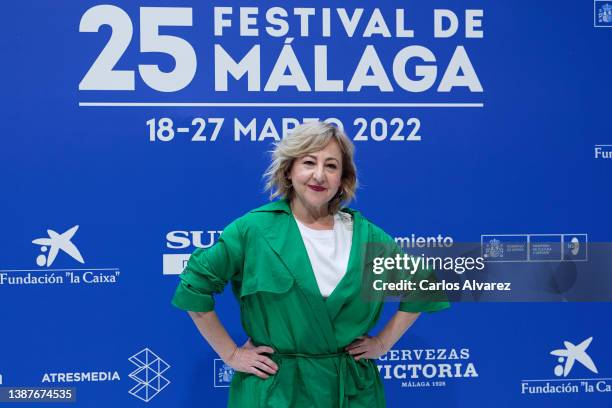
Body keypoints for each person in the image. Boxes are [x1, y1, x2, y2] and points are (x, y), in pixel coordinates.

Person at [172, 121, 449, 407]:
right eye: (308, 162)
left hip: (351, 391)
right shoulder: (253, 230)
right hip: (276, 390)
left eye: (331, 166)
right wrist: (230, 354)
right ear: (289, 170)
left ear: (343, 177)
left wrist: (383, 343)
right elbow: (195, 286)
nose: (319, 175)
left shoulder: (366, 236)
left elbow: (423, 284)